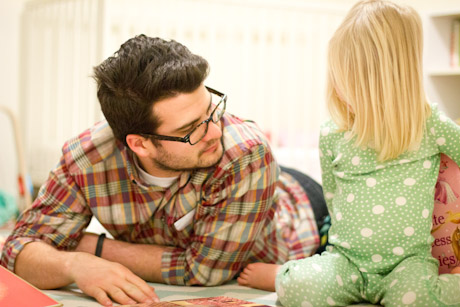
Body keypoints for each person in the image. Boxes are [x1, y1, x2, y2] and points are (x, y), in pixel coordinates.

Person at [0, 35, 328, 306]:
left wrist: (92, 247)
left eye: (212, 111)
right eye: (190, 129)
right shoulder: (85, 158)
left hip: (300, 210)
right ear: (139, 144)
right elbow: (18, 248)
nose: (215, 132)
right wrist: (74, 265)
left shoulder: (245, 153)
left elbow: (206, 271)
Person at [237, 1, 460, 306]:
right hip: (345, 261)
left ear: (390, 83)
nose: (338, 90)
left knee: (419, 299)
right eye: (337, 79)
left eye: (349, 82)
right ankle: (284, 273)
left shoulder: (428, 124)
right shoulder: (333, 133)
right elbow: (332, 197)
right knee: (298, 290)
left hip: (407, 264)